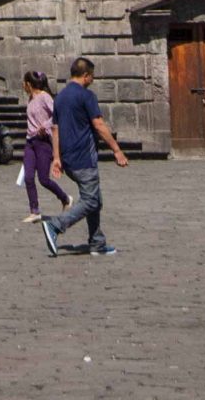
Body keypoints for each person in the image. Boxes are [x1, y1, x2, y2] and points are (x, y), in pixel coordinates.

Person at [39, 57, 128, 259]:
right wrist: (116, 150)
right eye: (92, 76)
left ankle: (97, 242)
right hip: (83, 157)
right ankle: (55, 225)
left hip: (68, 158)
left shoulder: (60, 97)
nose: (93, 80)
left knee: (95, 199)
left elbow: (55, 129)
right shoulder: (87, 96)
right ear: (86, 76)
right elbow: (98, 125)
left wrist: (56, 157)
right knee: (90, 200)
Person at [21, 71, 70, 223]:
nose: (23, 85)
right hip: (30, 142)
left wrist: (46, 125)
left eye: (24, 82)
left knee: (43, 179)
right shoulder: (30, 99)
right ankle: (34, 210)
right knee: (28, 177)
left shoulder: (44, 97)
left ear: (29, 83)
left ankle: (65, 198)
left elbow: (57, 114)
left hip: (43, 142)